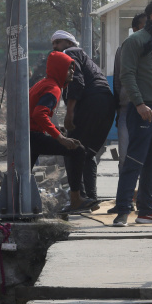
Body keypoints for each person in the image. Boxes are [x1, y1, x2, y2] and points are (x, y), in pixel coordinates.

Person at [113, 0, 152, 226]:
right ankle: (123, 211)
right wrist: (140, 104)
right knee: (134, 161)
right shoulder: (135, 41)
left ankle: (146, 212)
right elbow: (127, 75)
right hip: (144, 110)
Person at [51, 30, 117, 204]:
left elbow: (77, 81)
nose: (55, 47)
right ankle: (90, 198)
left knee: (70, 149)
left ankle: (78, 198)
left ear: (68, 43)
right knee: (87, 153)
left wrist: (70, 112)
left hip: (90, 102)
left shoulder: (69, 53)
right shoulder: (86, 59)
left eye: (57, 42)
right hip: (106, 104)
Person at [28, 51, 90, 211]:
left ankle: (17, 203)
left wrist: (56, 129)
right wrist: (61, 139)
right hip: (32, 136)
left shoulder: (44, 83)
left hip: (27, 136)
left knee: (21, 174)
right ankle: (76, 199)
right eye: (68, 69)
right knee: (78, 151)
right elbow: (39, 113)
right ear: (59, 69)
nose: (72, 72)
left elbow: (35, 113)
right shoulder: (53, 88)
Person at [112, 13, 147, 173]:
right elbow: (119, 80)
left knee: (149, 157)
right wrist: (119, 107)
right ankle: (125, 195)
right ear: (135, 29)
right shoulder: (124, 49)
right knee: (125, 157)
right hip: (127, 108)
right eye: (145, 25)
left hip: (151, 108)